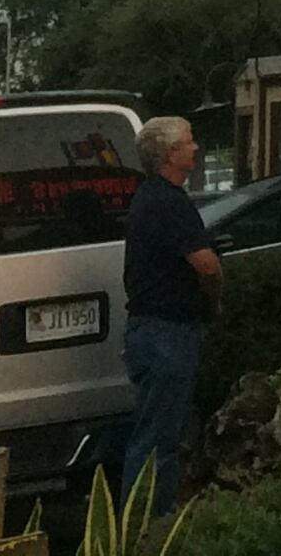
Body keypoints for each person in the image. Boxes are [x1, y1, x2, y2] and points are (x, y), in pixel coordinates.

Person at [118, 115, 220, 516]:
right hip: (166, 334)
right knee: (157, 437)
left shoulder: (153, 198)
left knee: (160, 432)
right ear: (169, 154)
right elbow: (207, 265)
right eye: (189, 142)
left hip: (154, 331)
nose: (196, 148)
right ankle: (148, 525)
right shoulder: (167, 202)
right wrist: (215, 300)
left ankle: (154, 516)